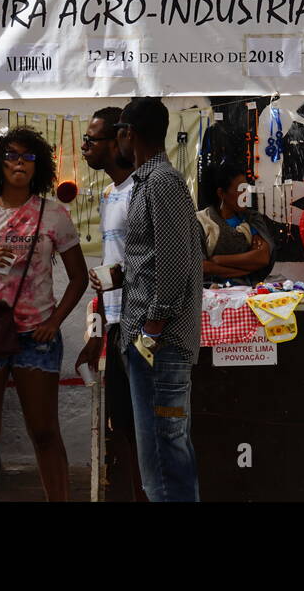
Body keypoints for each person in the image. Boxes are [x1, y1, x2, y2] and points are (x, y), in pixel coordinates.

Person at [0, 126, 89, 502]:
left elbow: (79, 278)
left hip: (35, 336)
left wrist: (54, 322)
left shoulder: (53, 214)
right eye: (11, 156)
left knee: (44, 432)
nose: (19, 163)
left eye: (28, 157)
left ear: (38, 166)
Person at [115, 96, 205, 502]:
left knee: (163, 462)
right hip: (156, 342)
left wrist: (150, 330)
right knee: (164, 456)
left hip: (158, 343)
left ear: (128, 134)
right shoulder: (154, 182)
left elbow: (175, 264)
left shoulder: (161, 183)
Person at [72, 106, 145, 501]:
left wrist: (116, 277)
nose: (84, 146)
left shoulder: (143, 192)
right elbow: (112, 267)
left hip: (143, 328)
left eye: (91, 139)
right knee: (124, 427)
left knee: (145, 429)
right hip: (117, 327)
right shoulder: (109, 195)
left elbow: (159, 261)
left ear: (119, 140)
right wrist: (96, 332)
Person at [198, 163, 275, 286]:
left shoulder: (252, 219)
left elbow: (262, 257)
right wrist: (247, 269)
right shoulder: (201, 222)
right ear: (221, 193)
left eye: (246, 189)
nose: (246, 195)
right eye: (241, 190)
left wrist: (218, 260)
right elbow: (202, 267)